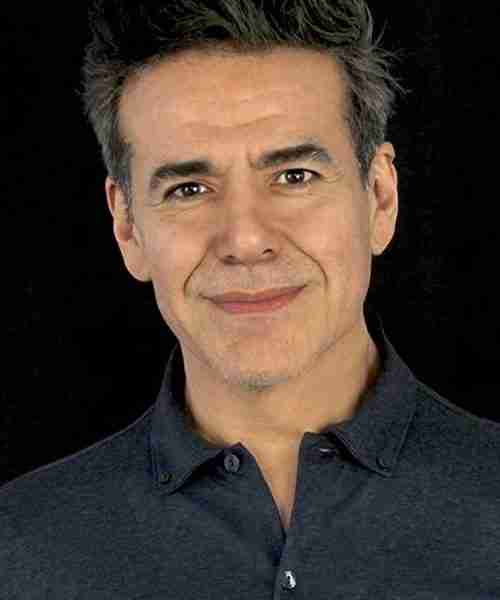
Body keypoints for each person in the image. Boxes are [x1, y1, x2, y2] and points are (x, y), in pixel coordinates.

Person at [1, 1, 499, 597]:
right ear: (127, 227)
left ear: (379, 197)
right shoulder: (18, 549)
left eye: (294, 177)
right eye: (189, 188)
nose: (245, 240)